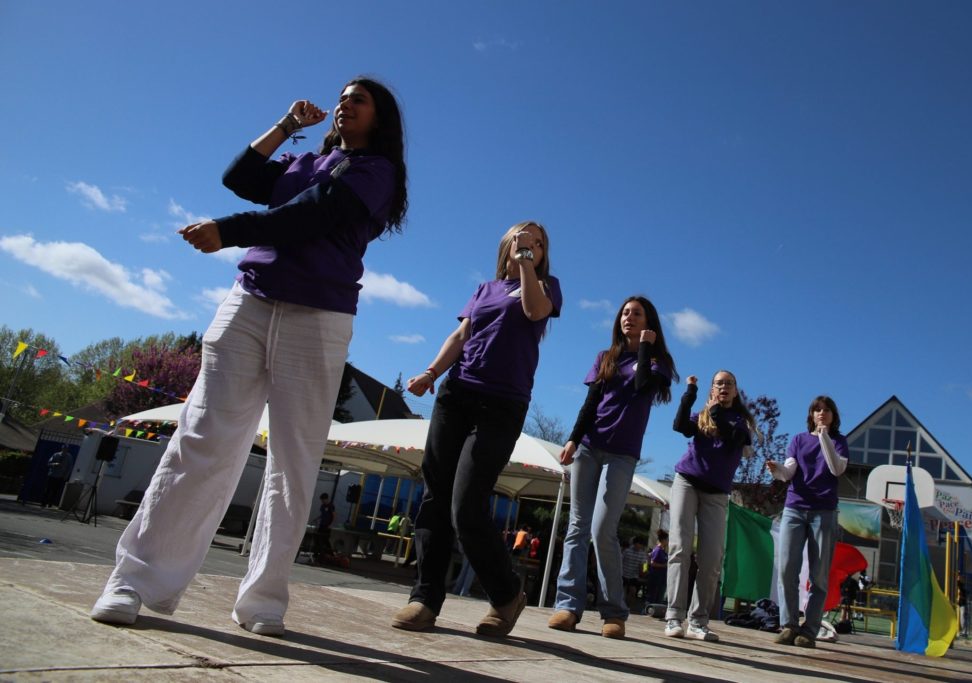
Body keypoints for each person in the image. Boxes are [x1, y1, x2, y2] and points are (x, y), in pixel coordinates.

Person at [89, 77, 409, 637]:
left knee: (293, 460)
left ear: (379, 118)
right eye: (341, 97)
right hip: (250, 303)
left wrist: (229, 230)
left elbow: (313, 214)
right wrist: (287, 125)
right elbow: (239, 177)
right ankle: (134, 581)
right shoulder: (304, 160)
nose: (344, 104)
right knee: (201, 438)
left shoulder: (377, 171)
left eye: (358, 99)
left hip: (319, 317)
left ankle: (262, 601)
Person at [391, 221, 561, 637]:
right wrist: (431, 372)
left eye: (538, 244)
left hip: (502, 405)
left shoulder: (546, 286)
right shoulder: (485, 289)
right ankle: (424, 599)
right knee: (435, 495)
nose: (531, 246)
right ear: (506, 245)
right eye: (523, 239)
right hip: (457, 395)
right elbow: (461, 334)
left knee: (466, 505)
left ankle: (506, 595)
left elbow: (534, 312)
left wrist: (526, 264)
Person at [547, 295, 677, 639]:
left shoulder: (659, 362)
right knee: (577, 526)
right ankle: (567, 606)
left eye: (636, 313)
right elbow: (591, 401)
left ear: (649, 322)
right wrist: (573, 439)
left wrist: (645, 347)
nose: (628, 317)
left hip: (622, 454)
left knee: (603, 529)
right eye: (624, 313)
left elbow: (642, 385)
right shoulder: (605, 357)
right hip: (589, 447)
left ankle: (614, 612)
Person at [664, 370, 756, 642]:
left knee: (711, 558)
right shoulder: (703, 415)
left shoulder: (741, 422)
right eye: (718, 383)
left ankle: (698, 620)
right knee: (679, 547)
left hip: (716, 493)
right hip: (687, 481)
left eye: (728, 383)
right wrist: (690, 394)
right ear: (712, 390)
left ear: (735, 391)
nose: (723, 386)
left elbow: (732, 438)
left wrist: (715, 411)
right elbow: (680, 425)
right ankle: (674, 615)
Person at [767, 395, 848, 649]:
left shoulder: (839, 441)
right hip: (794, 508)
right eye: (817, 409)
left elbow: (836, 469)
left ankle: (810, 630)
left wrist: (824, 437)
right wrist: (777, 469)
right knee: (786, 569)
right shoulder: (798, 440)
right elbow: (789, 471)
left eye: (826, 410)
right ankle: (789, 625)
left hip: (824, 512)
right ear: (811, 415)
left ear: (833, 415)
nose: (821, 413)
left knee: (819, 575)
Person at [647, 529, 669, 607]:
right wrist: (664, 565)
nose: (668, 542)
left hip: (661, 578)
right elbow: (652, 563)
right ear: (663, 540)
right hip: (656, 577)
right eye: (667, 540)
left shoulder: (663, 551)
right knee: (653, 597)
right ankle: (647, 610)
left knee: (659, 598)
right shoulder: (658, 550)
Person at [313, 493, 336, 560]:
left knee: (325, 540)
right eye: (321, 500)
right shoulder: (322, 506)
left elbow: (334, 515)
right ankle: (316, 554)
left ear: (326, 499)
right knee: (317, 538)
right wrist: (317, 519)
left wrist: (330, 524)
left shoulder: (330, 506)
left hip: (327, 526)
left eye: (323, 500)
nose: (322, 501)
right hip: (322, 525)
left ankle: (331, 554)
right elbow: (322, 515)